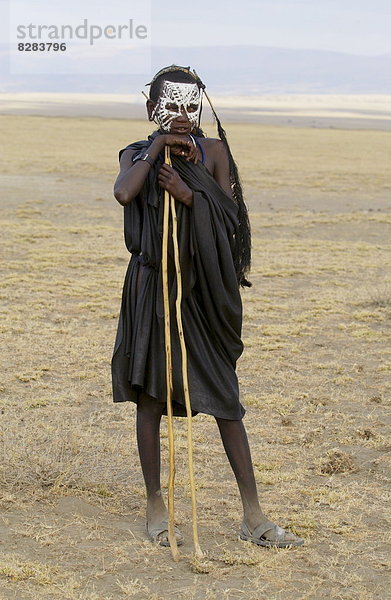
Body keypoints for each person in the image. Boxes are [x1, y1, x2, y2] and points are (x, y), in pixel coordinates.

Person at [112, 65, 304, 549]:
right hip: (153, 290)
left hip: (200, 291)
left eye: (189, 104)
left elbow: (233, 222)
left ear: (201, 105)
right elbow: (124, 192)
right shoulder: (136, 154)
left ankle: (253, 516)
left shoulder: (215, 153)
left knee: (227, 400)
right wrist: (156, 150)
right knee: (152, 398)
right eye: (170, 106)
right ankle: (156, 504)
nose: (181, 115)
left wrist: (190, 196)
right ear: (152, 108)